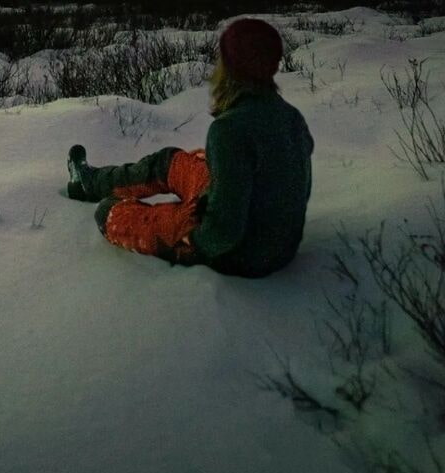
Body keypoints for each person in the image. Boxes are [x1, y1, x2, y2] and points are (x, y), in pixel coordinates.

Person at [66, 17, 314, 278]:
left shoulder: (229, 129)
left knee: (109, 212)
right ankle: (90, 183)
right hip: (279, 249)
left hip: (234, 254)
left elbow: (223, 233)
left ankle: (107, 199)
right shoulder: (291, 116)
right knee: (170, 162)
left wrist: (191, 239)